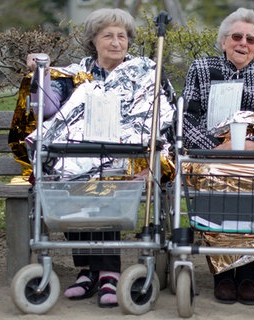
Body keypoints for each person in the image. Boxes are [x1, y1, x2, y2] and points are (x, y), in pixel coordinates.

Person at [20, 8, 175, 308]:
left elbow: (162, 116)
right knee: (73, 172)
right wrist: (40, 73)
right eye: (108, 36)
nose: (116, 42)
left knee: (106, 175)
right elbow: (48, 112)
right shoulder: (75, 74)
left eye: (122, 36)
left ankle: (108, 272)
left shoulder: (145, 72)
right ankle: (87, 271)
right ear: (94, 40)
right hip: (78, 153)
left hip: (126, 158)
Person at [181, 8, 254, 305]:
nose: (244, 43)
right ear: (224, 41)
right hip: (211, 153)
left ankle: (248, 275)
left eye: (251, 39)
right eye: (237, 36)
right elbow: (187, 117)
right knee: (216, 177)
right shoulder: (202, 68)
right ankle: (223, 275)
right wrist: (212, 150)